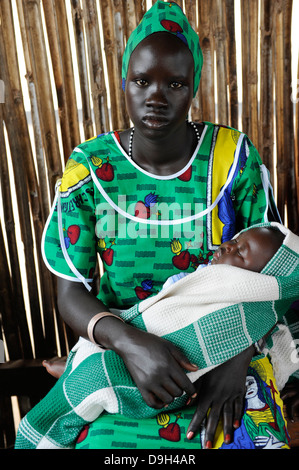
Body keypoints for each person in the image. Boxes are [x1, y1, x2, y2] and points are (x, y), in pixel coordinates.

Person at [17, 1, 298, 449]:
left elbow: (279, 273)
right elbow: (70, 291)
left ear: (193, 88)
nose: (156, 96)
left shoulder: (234, 158)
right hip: (126, 358)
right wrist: (131, 344)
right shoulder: (90, 169)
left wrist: (235, 359)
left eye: (175, 83)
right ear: (124, 83)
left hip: (233, 354)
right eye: (142, 81)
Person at [14, 223, 299, 449]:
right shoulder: (199, 277)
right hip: (133, 338)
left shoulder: (239, 164)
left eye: (239, 253)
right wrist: (130, 338)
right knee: (104, 359)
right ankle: (83, 365)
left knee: (98, 376)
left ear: (257, 284)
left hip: (193, 377)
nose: (226, 246)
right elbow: (162, 309)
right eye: (234, 241)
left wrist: (239, 350)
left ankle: (81, 368)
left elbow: (267, 317)